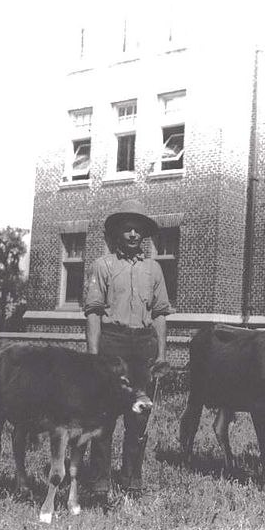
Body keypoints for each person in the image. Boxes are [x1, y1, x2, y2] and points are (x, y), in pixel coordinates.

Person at [84, 199, 172, 505]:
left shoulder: (153, 269)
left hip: (143, 347)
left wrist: (161, 353)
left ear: (144, 235)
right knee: (104, 417)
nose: (133, 234)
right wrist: (94, 357)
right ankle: (99, 483)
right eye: (127, 229)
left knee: (139, 418)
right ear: (118, 233)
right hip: (113, 344)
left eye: (138, 230)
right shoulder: (103, 265)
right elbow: (94, 312)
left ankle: (132, 479)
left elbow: (160, 313)